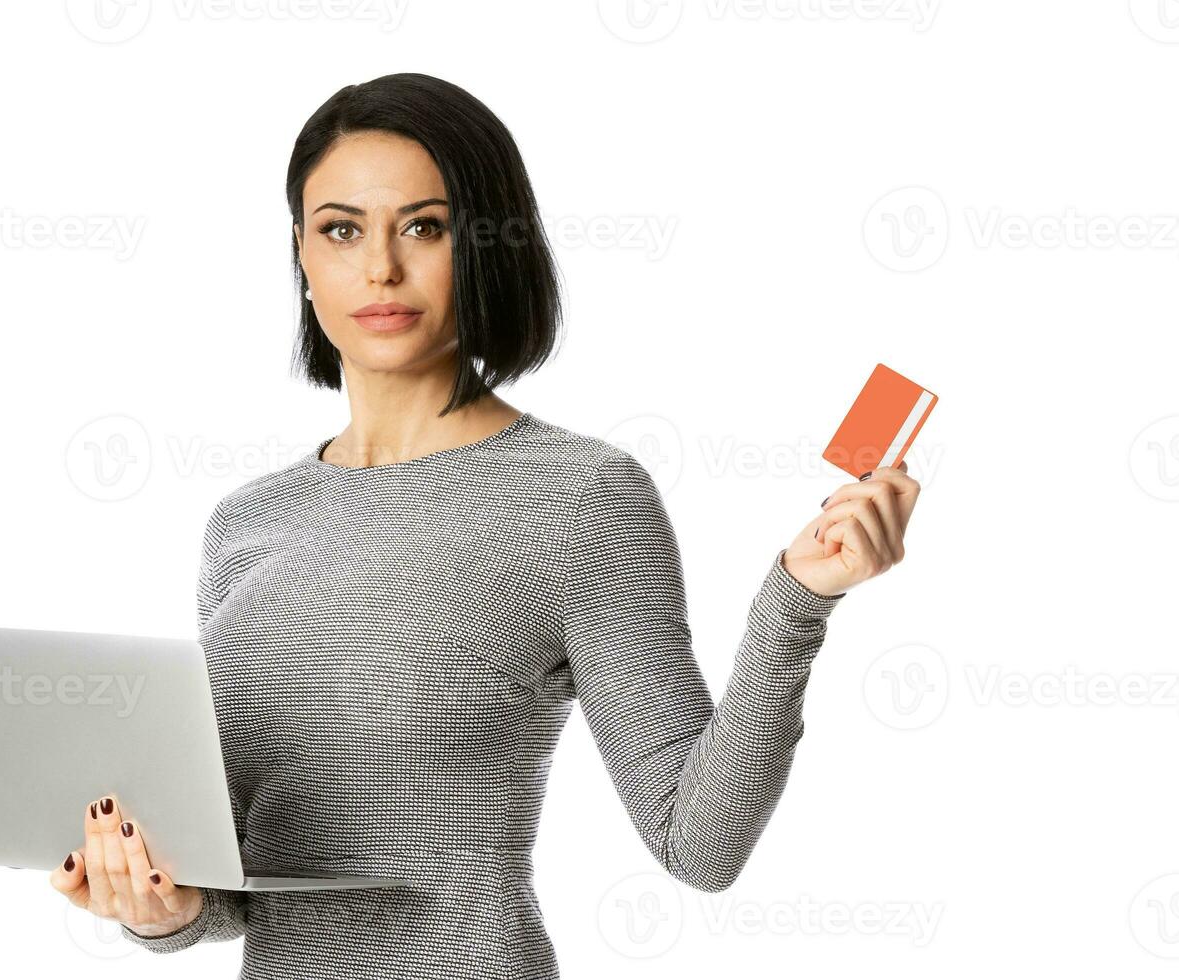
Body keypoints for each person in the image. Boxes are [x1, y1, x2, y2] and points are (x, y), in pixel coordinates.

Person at [49, 72, 920, 979]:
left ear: (487, 250)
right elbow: (241, 886)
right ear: (301, 257)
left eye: (424, 227)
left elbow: (696, 843)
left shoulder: (579, 498)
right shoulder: (244, 525)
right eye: (341, 230)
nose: (380, 268)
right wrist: (159, 909)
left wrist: (795, 603)